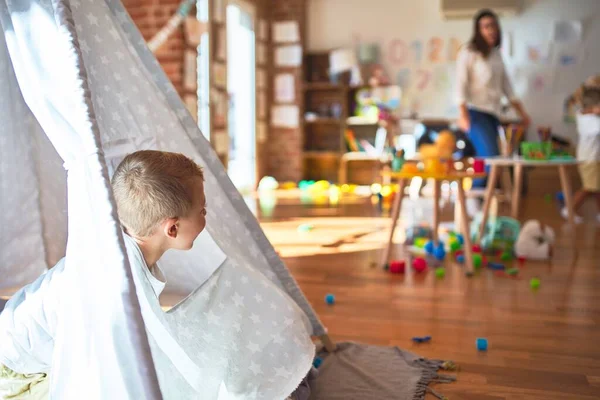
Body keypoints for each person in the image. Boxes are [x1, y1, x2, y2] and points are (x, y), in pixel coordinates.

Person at [0, 150, 314, 399]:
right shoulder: (117, 282)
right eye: (202, 212)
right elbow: (112, 365)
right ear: (172, 228)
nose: (206, 217)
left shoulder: (125, 253)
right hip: (19, 374)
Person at [456, 9, 530, 188]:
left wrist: (523, 115)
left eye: (494, 25)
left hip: (493, 115)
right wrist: (463, 115)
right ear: (478, 30)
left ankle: (483, 204)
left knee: (493, 159)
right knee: (490, 158)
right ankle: (473, 199)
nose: (491, 30)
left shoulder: (497, 55)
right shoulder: (469, 52)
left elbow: (508, 88)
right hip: (475, 114)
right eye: (486, 26)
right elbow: (460, 85)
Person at [563, 85, 600, 223]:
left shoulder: (583, 116)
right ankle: (569, 209)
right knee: (589, 188)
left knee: (596, 188)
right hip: (589, 159)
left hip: (591, 158)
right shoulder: (590, 120)